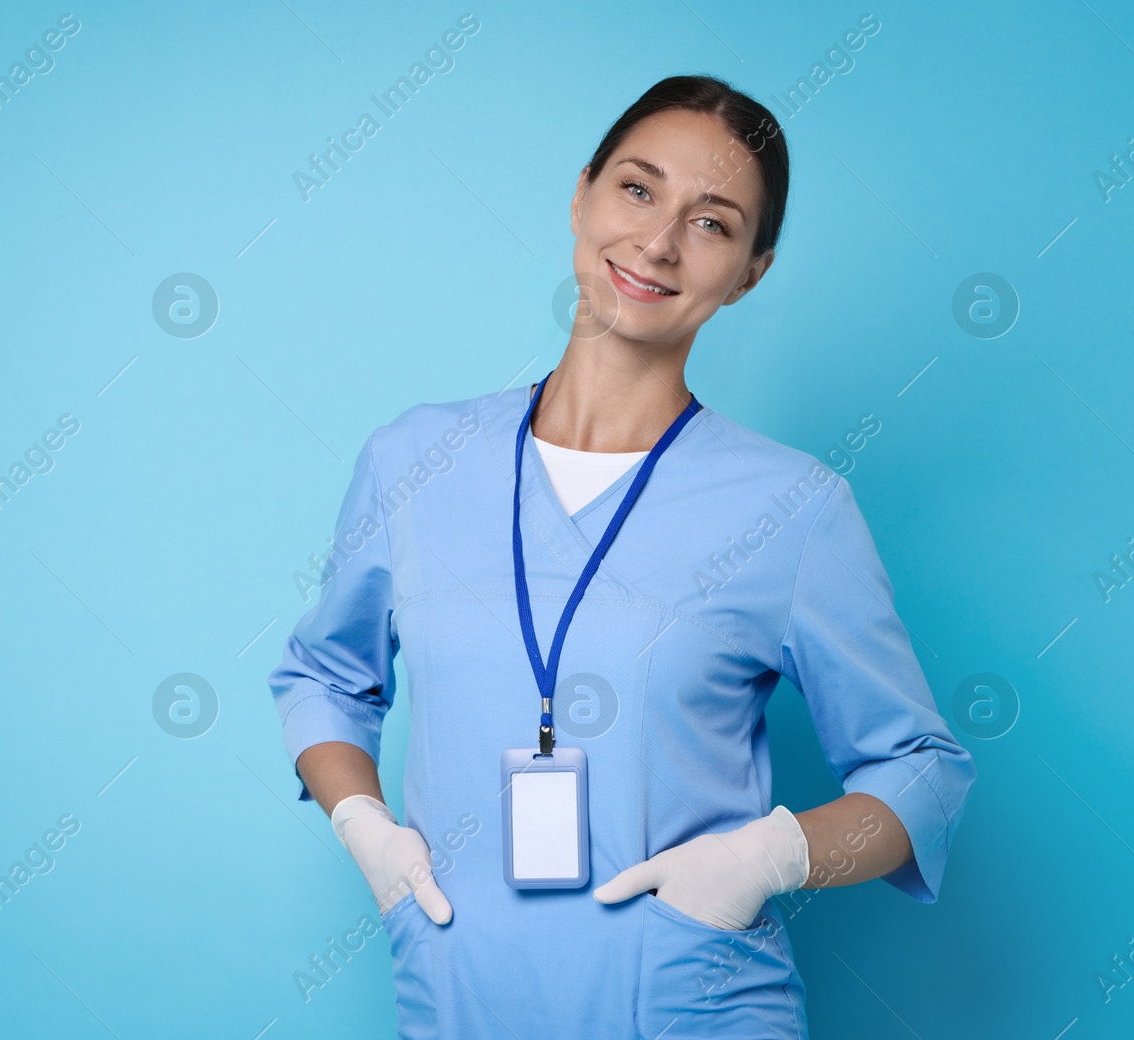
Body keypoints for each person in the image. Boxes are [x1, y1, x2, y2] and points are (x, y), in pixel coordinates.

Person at [266, 74, 976, 1038]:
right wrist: (364, 829)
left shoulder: (793, 509)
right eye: (638, 190)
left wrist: (764, 860)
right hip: (459, 996)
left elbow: (920, 772)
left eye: (714, 222)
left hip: (696, 1006)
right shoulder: (414, 463)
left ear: (753, 270)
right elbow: (324, 675)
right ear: (582, 194)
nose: (658, 242)